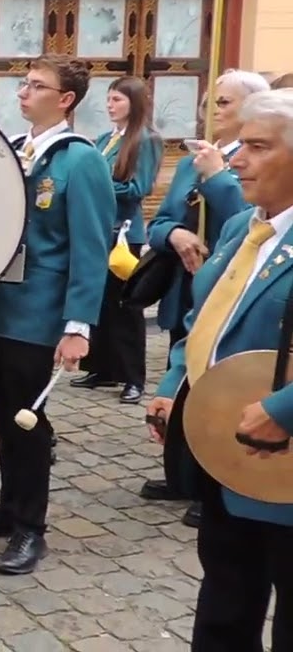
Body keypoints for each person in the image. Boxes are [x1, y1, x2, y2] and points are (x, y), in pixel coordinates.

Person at [145, 88, 293, 651]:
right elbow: (206, 318)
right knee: (226, 600)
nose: (235, 160)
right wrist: (174, 385)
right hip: (226, 455)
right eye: (240, 145)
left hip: (283, 462)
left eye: (257, 147)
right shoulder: (241, 230)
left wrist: (283, 411)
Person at [0, 53, 116, 575]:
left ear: (65, 99)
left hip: (38, 314)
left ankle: (31, 528)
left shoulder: (80, 160)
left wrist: (77, 327)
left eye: (35, 85)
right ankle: (8, 507)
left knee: (29, 425)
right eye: (23, 83)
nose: (22, 92)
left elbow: (90, 249)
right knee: (4, 419)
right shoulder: (15, 150)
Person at [141, 69, 267, 527]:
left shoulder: (235, 169)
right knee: (187, 377)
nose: (211, 111)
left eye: (224, 103)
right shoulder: (197, 157)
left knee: (223, 390)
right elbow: (158, 221)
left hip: (240, 303)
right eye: (210, 102)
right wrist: (173, 233)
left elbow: (248, 219)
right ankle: (184, 471)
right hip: (189, 289)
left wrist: (218, 178)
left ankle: (212, 476)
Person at [72, 76, 163, 404]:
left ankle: (132, 377)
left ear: (134, 104)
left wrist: (96, 187)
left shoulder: (145, 140)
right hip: (97, 231)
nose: (110, 106)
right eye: (109, 99)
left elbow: (138, 189)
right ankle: (101, 367)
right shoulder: (103, 139)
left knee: (125, 308)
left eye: (117, 100)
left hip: (125, 235)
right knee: (99, 303)